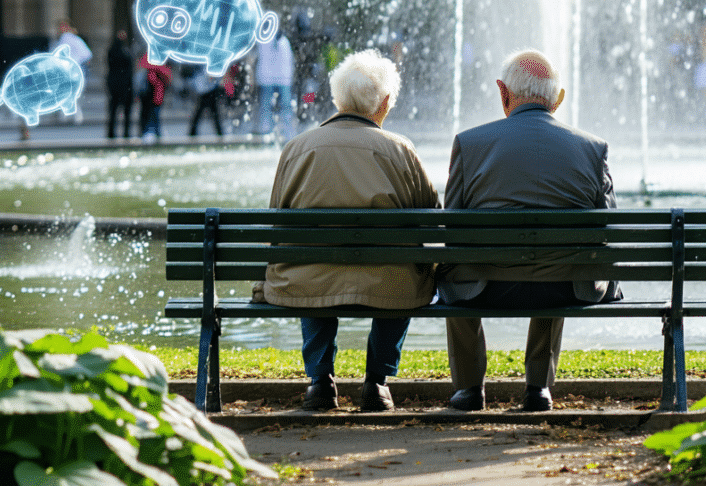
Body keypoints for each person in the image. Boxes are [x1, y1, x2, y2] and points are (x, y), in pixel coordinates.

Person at [254, 49, 440, 412]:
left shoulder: (297, 148)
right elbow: (432, 216)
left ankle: (320, 381)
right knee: (403, 273)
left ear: (338, 99)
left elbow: (278, 218)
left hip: (307, 279)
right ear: (384, 103)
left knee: (310, 269)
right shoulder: (400, 150)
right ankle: (377, 382)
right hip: (388, 281)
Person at [439, 49, 622, 413]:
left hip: (486, 287)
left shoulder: (470, 144)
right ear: (558, 98)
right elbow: (608, 228)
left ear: (503, 92)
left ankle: (470, 388)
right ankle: (538, 387)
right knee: (563, 259)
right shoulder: (592, 148)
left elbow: (452, 231)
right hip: (564, 287)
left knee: (452, 268)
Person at [255, 27, 296, 141]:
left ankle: (286, 132)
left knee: (283, 107)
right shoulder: (266, 41)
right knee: (268, 107)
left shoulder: (283, 41)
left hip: (280, 79)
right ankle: (268, 132)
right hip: (271, 79)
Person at [53, 20, 93, 125]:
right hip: (79, 69)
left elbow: (60, 55)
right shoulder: (75, 38)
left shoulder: (65, 38)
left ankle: (68, 116)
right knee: (73, 94)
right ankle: (74, 116)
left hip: (71, 70)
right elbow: (88, 55)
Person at [136, 51, 172, 144]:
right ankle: (149, 132)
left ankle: (153, 133)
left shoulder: (156, 63)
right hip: (150, 95)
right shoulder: (154, 62)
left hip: (155, 95)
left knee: (153, 114)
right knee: (150, 114)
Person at [105, 30, 134, 139]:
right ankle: (123, 132)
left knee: (115, 110)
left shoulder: (113, 50)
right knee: (122, 110)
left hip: (117, 84)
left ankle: (114, 132)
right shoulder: (124, 51)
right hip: (124, 84)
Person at [187, 64, 224, 137]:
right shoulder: (202, 67)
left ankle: (193, 132)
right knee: (210, 113)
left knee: (208, 113)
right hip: (205, 90)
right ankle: (219, 132)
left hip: (208, 90)